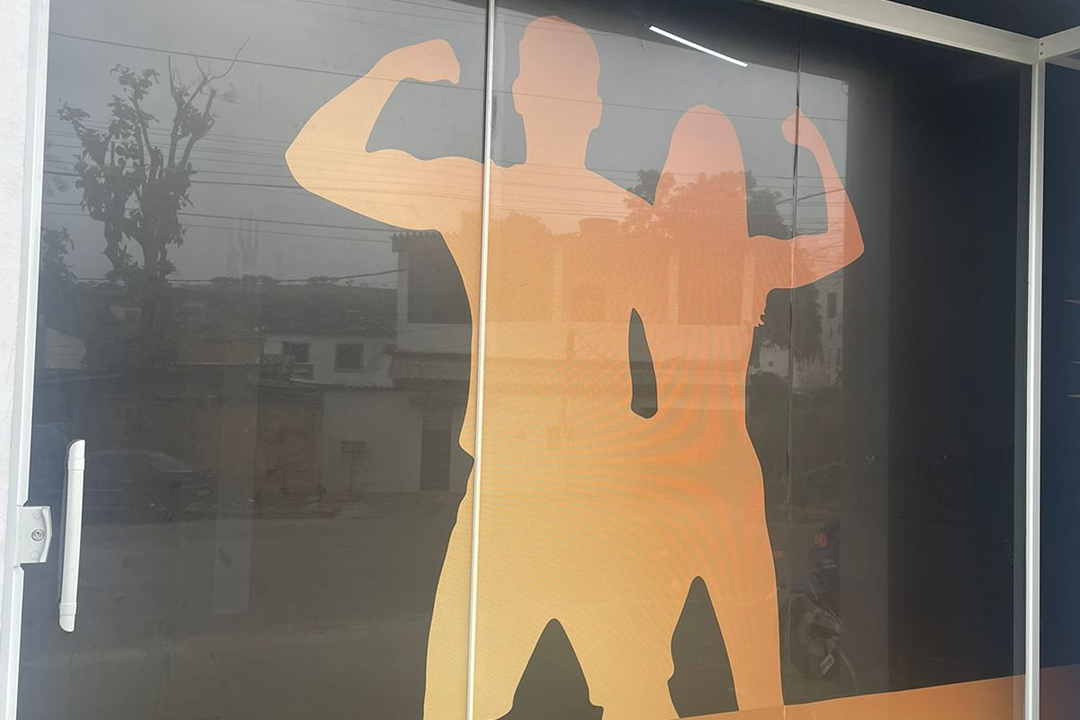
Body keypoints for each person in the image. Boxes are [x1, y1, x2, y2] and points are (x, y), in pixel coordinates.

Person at [287, 15, 862, 719]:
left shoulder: (627, 223)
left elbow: (694, 340)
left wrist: (398, 67)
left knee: (628, 696)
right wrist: (393, 67)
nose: (553, 99)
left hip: (595, 496)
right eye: (545, 83)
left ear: (580, 105)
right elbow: (315, 161)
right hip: (518, 496)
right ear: (534, 99)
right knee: (471, 698)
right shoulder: (497, 200)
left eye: (566, 85)